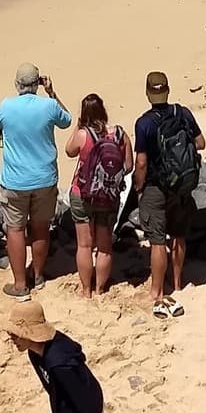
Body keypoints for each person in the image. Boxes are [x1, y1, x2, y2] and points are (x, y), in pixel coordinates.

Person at [0, 63, 70, 299]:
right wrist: (52, 93)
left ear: (17, 84)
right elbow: (67, 121)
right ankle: (37, 274)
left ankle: (20, 283)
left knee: (15, 230)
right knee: (40, 228)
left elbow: (1, 125)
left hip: (15, 180)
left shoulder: (6, 106)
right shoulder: (48, 105)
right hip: (44, 177)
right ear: (38, 83)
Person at [132, 72, 205, 319]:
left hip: (155, 186)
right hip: (182, 185)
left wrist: (138, 187)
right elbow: (201, 143)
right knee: (178, 235)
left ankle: (156, 291)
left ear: (147, 93)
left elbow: (141, 162)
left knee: (157, 240)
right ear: (168, 90)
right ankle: (177, 282)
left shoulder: (144, 123)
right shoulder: (182, 113)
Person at [63, 94, 127, 299]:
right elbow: (128, 166)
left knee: (84, 245)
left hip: (82, 193)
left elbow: (68, 151)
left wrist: (78, 125)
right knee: (105, 246)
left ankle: (86, 290)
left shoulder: (83, 135)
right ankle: (100, 288)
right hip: (108, 196)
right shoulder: (119, 134)